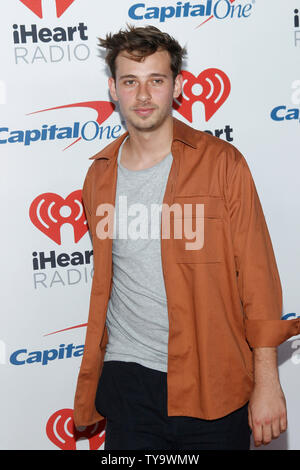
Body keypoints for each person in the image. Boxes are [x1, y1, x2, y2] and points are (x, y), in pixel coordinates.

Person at [73, 25, 300, 450]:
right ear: (113, 90)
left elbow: (258, 279)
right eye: (130, 82)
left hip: (213, 381)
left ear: (177, 86)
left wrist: (267, 380)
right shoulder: (98, 175)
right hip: (129, 381)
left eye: (156, 81)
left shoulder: (222, 164)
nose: (143, 95)